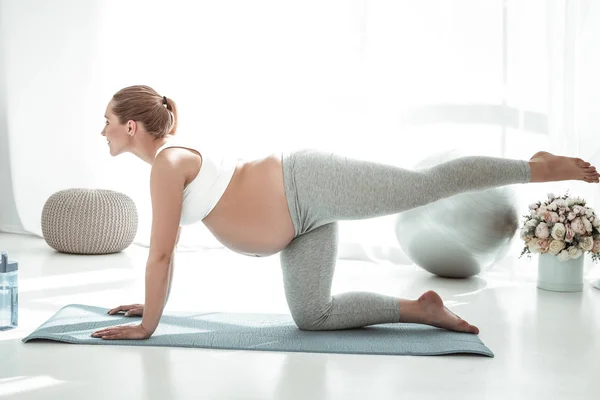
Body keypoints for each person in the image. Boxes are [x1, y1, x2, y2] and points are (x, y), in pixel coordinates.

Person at [92, 85, 600, 341]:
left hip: (306, 184)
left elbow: (160, 254)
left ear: (132, 126)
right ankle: (422, 309)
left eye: (108, 122)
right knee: (313, 316)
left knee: (424, 186)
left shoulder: (167, 162)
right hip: (299, 227)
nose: (104, 131)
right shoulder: (168, 161)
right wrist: (150, 305)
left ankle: (536, 167)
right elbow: (165, 257)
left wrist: (147, 326)